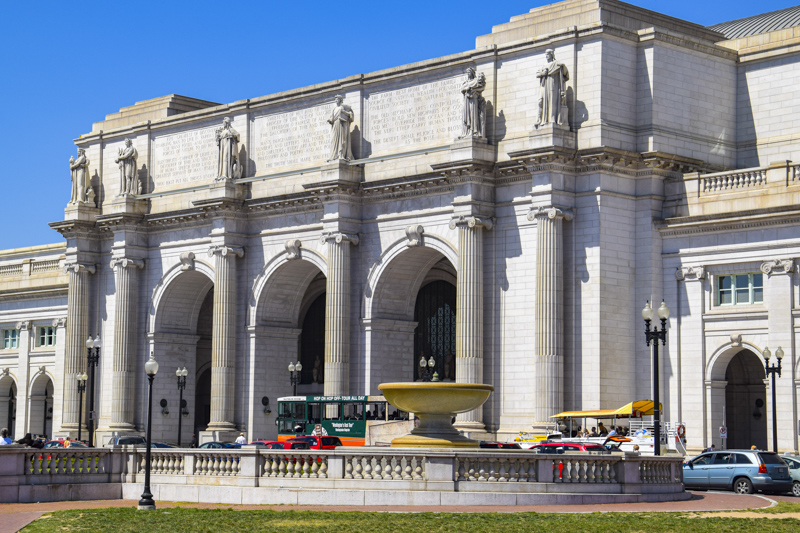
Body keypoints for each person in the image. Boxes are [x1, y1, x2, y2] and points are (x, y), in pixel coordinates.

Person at [535, 48, 569, 127]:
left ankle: (552, 119)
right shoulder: (544, 66)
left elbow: (565, 74)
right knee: (540, 101)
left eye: (548, 54)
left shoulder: (556, 64)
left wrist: (562, 66)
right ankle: (541, 120)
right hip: (544, 86)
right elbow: (537, 74)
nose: (546, 55)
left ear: (551, 54)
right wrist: (543, 73)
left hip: (553, 86)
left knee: (552, 102)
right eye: (546, 54)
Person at [459, 67, 486, 139]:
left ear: (472, 73)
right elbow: (462, 89)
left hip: (473, 101)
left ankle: (474, 131)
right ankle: (466, 132)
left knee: (473, 114)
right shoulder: (466, 83)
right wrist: (466, 89)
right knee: (466, 116)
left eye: (469, 72)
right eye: (467, 73)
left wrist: (474, 90)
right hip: (466, 101)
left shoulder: (475, 81)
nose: (468, 74)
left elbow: (482, 87)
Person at [327, 95, 354, 161]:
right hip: (335, 125)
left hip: (342, 124)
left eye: (337, 99)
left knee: (342, 140)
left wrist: (344, 112)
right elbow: (332, 118)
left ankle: (341, 154)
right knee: (334, 140)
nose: (336, 100)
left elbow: (351, 115)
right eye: (335, 99)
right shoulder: (334, 109)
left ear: (340, 100)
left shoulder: (344, 107)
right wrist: (330, 120)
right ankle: (334, 155)